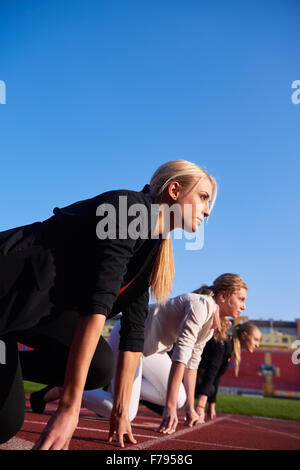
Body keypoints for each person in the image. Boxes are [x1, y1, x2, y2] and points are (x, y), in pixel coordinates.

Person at [0, 159, 217, 449]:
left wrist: (121, 412)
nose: (206, 211)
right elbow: (97, 304)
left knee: (99, 367)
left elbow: (133, 332)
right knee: (5, 422)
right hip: (8, 290)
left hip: (30, 314)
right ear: (175, 190)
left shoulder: (152, 248)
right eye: (203, 198)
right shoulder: (126, 208)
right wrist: (69, 407)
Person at [45, 273, 247, 436]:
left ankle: (131, 391)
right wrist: (168, 408)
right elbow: (181, 355)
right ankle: (67, 389)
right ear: (223, 296)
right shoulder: (201, 305)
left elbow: (192, 365)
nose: (244, 306)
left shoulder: (210, 326)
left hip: (152, 351)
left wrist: (190, 409)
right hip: (127, 339)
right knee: (128, 413)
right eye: (241, 299)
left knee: (180, 399)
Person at [194, 320, 262, 421]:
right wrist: (200, 406)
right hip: (187, 377)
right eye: (256, 339)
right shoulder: (224, 344)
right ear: (244, 335)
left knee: (211, 388)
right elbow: (211, 373)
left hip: (196, 378)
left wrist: (212, 404)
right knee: (208, 388)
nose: (257, 345)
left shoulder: (229, 347)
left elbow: (216, 376)